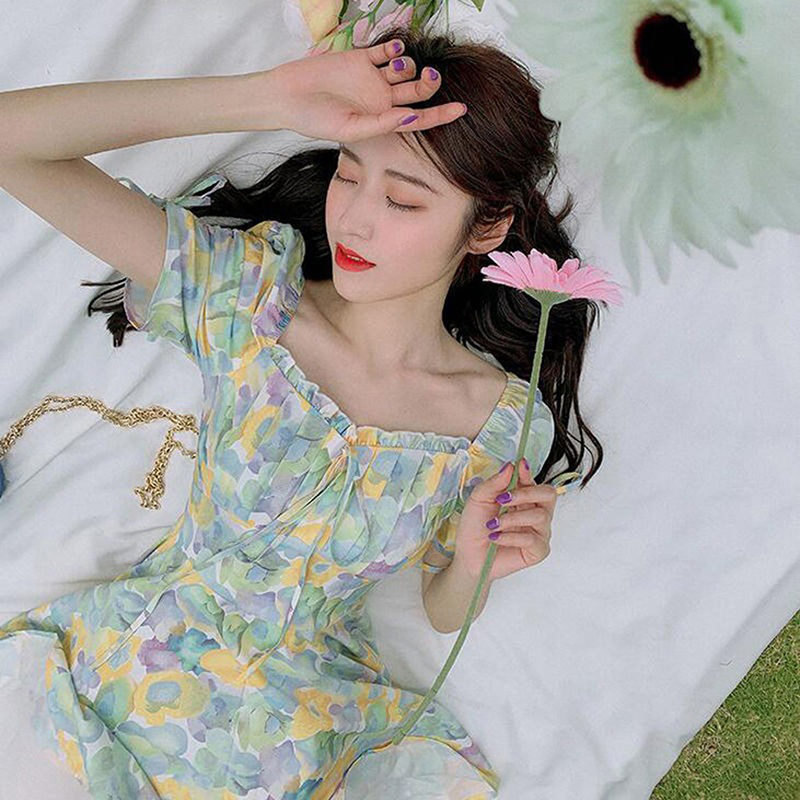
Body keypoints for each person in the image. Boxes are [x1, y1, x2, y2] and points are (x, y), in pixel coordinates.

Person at [0, 22, 604, 799]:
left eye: (403, 200)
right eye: (349, 173)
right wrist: (268, 97)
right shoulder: (249, 297)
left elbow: (442, 609)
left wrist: (477, 562)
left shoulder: (499, 423)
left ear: (485, 227)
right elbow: (12, 141)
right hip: (116, 690)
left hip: (300, 744)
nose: (354, 219)